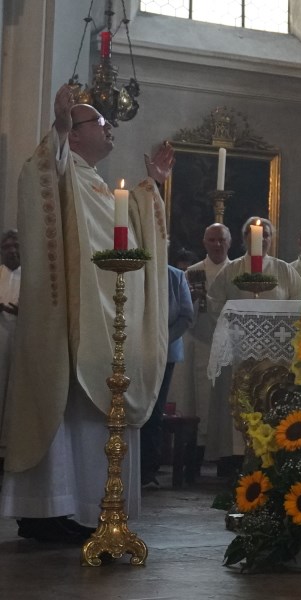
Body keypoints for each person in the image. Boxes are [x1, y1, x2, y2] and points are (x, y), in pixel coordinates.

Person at [0, 84, 172, 543]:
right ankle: (50, 510)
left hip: (108, 320)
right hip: (71, 319)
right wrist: (57, 124)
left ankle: (90, 505)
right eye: (98, 121)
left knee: (97, 411)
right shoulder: (64, 171)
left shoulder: (98, 182)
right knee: (68, 406)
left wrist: (152, 186)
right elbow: (39, 171)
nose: (108, 126)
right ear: (74, 136)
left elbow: (133, 228)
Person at [206, 217, 301, 472]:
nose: (262, 238)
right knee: (238, 399)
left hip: (278, 354)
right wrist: (236, 326)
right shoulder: (232, 271)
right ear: (245, 238)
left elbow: (299, 306)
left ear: (272, 239)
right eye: (255, 234)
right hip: (240, 353)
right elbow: (215, 303)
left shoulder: (284, 271)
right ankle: (233, 458)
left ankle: (273, 456)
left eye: (267, 234)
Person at [172, 223, 233, 467]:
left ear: (229, 242)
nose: (217, 245)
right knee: (196, 399)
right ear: (204, 242)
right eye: (212, 240)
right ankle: (195, 455)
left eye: (221, 240)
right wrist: (194, 301)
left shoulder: (236, 270)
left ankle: (224, 456)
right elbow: (184, 312)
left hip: (228, 345)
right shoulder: (192, 273)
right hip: (199, 340)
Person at [139, 264, 194, 486]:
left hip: (165, 352)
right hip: (133, 350)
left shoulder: (176, 275)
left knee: (154, 409)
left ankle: (148, 468)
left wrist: (160, 341)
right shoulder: (134, 270)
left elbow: (186, 315)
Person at [0, 230, 20, 459]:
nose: (13, 251)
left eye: (16, 246)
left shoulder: (34, 280)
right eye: (8, 247)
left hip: (21, 345)